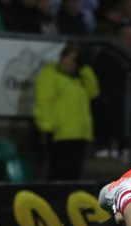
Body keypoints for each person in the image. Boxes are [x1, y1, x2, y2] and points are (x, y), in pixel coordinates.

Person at [34, 44, 99, 181]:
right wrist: (47, 127)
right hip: (60, 134)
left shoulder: (80, 78)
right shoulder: (50, 74)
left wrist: (85, 67)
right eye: (70, 58)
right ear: (62, 57)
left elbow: (94, 91)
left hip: (80, 134)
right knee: (58, 173)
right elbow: (44, 101)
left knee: (75, 175)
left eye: (76, 59)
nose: (72, 62)